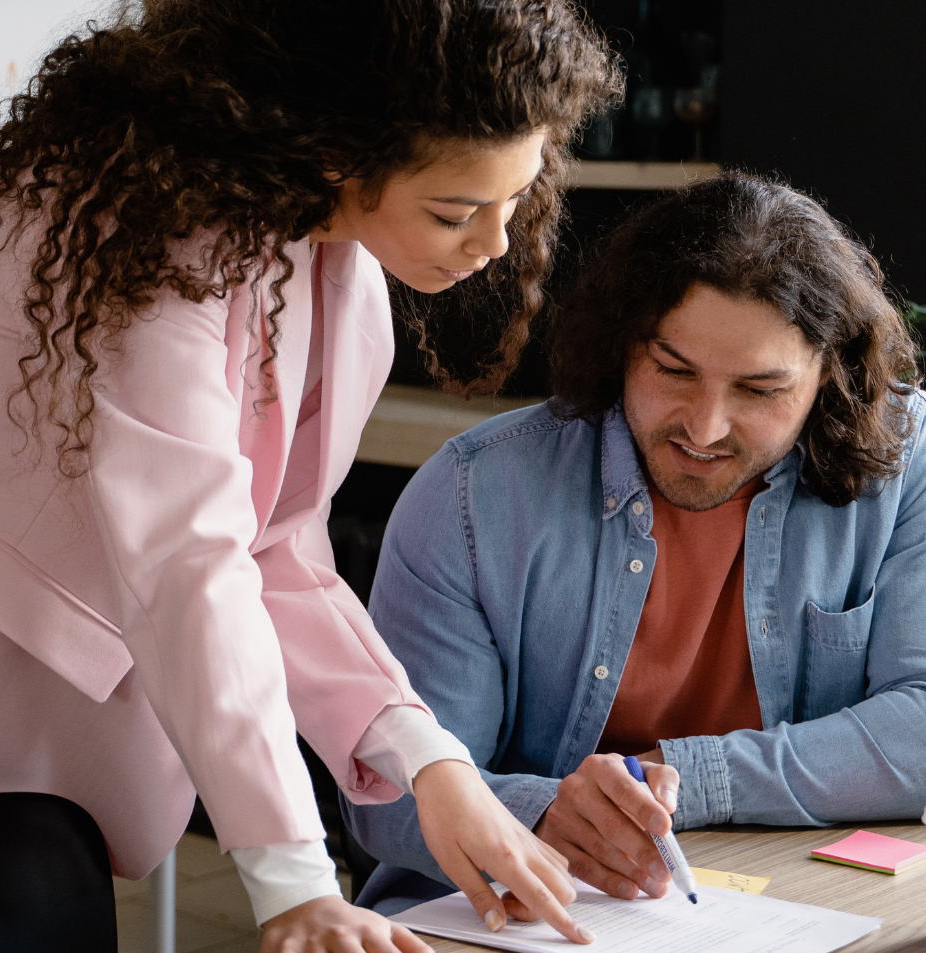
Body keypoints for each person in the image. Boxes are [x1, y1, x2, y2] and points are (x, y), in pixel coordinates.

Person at [0, 0, 620, 948]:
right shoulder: (133, 237)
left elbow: (276, 550)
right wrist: (293, 877)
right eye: (456, 210)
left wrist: (430, 763)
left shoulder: (336, 270)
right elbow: (189, 562)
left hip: (41, 723)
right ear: (337, 151)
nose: (493, 246)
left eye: (515, 196)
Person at [343, 172, 926, 916]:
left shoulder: (904, 466)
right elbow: (386, 798)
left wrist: (686, 776)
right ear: (621, 344)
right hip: (502, 917)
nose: (704, 426)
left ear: (828, 377)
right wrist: (549, 813)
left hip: (786, 904)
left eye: (759, 390)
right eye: (672, 370)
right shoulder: (470, 496)